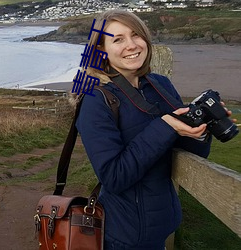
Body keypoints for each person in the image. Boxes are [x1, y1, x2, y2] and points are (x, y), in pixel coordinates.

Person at [73, 10, 231, 250]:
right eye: (118, 39)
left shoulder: (159, 84)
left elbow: (189, 152)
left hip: (162, 226)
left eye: (136, 35)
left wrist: (201, 128)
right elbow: (114, 177)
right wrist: (165, 125)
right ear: (101, 51)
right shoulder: (96, 99)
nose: (131, 45)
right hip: (124, 236)